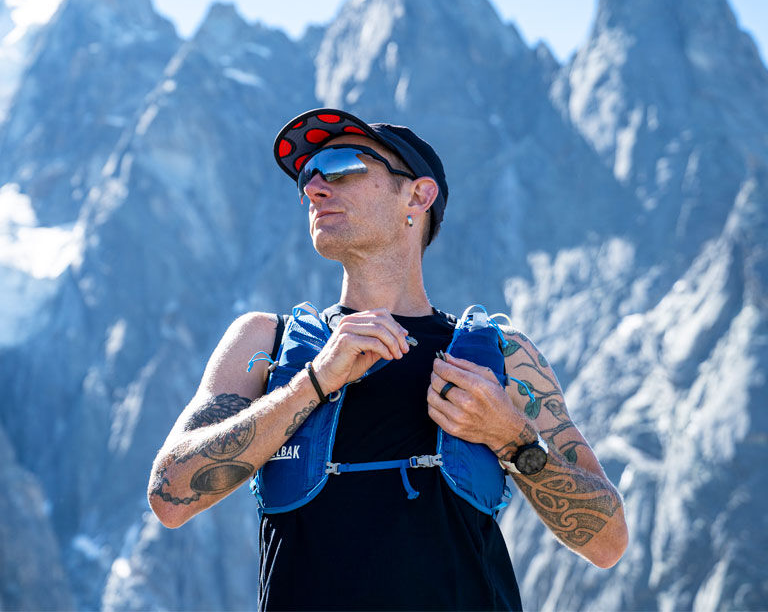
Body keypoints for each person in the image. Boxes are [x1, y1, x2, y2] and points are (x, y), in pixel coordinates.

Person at [148, 108, 628, 611]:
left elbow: (608, 542)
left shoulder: (504, 357)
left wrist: (512, 437)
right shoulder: (265, 343)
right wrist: (312, 383)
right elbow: (168, 496)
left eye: (340, 165)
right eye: (308, 176)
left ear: (418, 196)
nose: (314, 187)